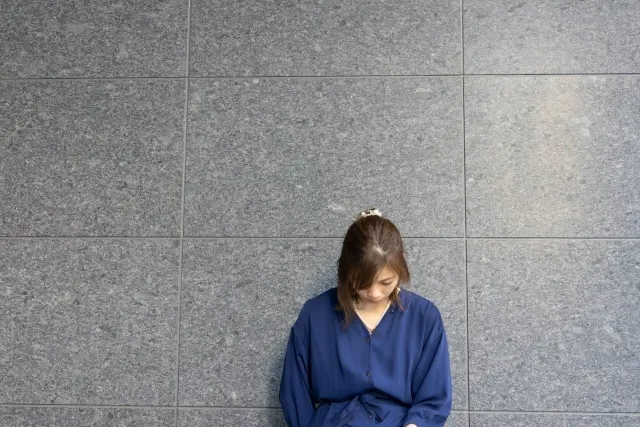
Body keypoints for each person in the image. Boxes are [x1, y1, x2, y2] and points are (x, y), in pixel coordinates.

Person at [279, 208, 452, 427]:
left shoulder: (424, 317)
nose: (374, 293)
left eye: (386, 282)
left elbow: (434, 397)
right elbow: (294, 391)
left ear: (401, 271)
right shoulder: (315, 314)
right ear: (346, 270)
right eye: (362, 282)